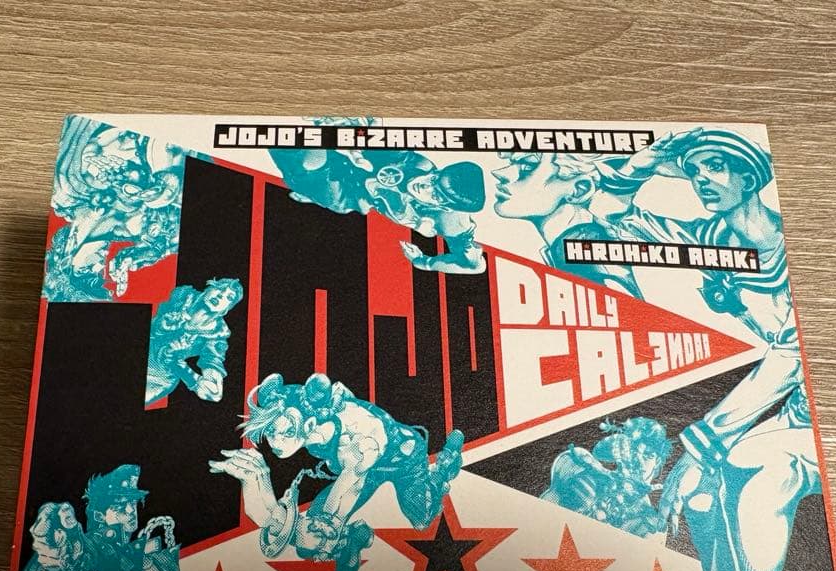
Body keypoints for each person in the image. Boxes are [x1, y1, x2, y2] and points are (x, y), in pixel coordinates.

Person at [602, 127, 819, 571]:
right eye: (694, 170)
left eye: (715, 167)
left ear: (749, 177)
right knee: (700, 499)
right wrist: (640, 167)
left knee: (756, 473)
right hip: (787, 408)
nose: (701, 179)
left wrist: (699, 449)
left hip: (819, 413)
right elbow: (611, 220)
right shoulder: (709, 238)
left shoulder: (797, 243)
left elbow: (791, 358)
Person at [210, 373, 465, 571]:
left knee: (422, 519)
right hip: (360, 466)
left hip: (402, 460)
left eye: (286, 433)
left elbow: (351, 485)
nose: (276, 441)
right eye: (271, 432)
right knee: (310, 537)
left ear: (309, 424)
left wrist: (331, 523)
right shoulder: (303, 413)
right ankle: (353, 539)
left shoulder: (358, 440)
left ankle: (444, 469)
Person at [270, 143, 487, 275]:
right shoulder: (409, 162)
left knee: (311, 180)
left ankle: (310, 192)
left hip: (350, 196)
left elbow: (475, 266)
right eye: (434, 179)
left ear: (444, 206)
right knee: (307, 159)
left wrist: (425, 263)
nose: (424, 186)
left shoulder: (452, 222)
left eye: (435, 194)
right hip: (350, 168)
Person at [20, 465, 183, 571]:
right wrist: (52, 544)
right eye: (119, 505)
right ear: (99, 515)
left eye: (132, 502)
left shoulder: (148, 554)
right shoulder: (89, 548)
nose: (130, 510)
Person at [45, 116, 186, 301]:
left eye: (87, 269)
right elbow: (178, 228)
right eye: (100, 272)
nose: (100, 265)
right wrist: (139, 255)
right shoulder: (132, 230)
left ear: (66, 259)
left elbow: (89, 133)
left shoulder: (66, 192)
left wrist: (95, 153)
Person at [491, 151, 643, 297]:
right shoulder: (574, 248)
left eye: (527, 167)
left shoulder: (585, 257)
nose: (500, 173)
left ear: (579, 190)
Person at [542, 417, 672, 537]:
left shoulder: (648, 522)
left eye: (648, 456)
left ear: (657, 462)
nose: (640, 462)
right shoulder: (579, 467)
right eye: (633, 452)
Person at [144, 278, 244, 405]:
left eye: (229, 297)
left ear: (227, 308)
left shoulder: (216, 336)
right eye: (220, 288)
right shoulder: (182, 295)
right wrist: (161, 324)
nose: (221, 296)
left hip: (158, 378)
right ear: (209, 288)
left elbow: (214, 393)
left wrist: (179, 364)